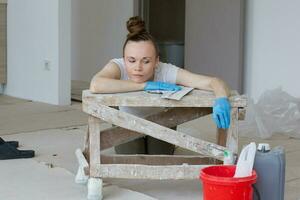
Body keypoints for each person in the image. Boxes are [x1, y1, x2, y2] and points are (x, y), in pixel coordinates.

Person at [90, 16, 231, 155]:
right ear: (124, 58)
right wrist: (145, 85)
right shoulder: (118, 65)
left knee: (159, 155)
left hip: (160, 121)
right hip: (127, 120)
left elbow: (214, 82)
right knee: (133, 157)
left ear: (157, 61)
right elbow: (96, 85)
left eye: (146, 61)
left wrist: (221, 99)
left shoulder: (165, 70)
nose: (137, 67)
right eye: (131, 60)